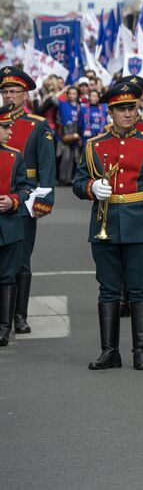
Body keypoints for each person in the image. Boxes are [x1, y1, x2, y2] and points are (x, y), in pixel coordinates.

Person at [72, 79, 143, 371]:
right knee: (108, 290)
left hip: (140, 224)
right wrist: (92, 188)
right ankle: (110, 352)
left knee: (140, 290)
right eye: (121, 109)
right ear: (110, 111)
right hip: (104, 224)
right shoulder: (94, 145)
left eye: (131, 107)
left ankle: (140, 352)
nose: (128, 114)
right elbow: (78, 182)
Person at [0, 67, 55, 338]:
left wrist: (44, 199)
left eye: (14, 91)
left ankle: (19, 315)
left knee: (21, 260)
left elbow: (46, 166)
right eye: (5, 91)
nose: (9, 95)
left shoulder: (37, 125)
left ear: (25, 95)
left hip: (24, 197)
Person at [0, 103, 35, 347]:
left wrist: (13, 200)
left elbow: (25, 188)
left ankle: (4, 328)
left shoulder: (14, 156)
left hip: (8, 227)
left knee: (7, 278)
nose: (10, 132)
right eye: (5, 127)